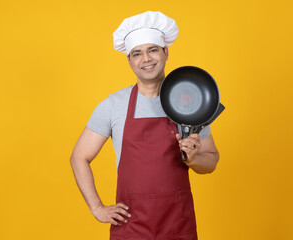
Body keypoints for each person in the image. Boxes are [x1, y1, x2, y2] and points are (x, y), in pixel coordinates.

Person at [70, 11, 219, 240]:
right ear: (129, 60)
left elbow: (210, 161)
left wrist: (194, 158)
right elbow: (79, 156)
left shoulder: (190, 101)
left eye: (153, 50)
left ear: (166, 52)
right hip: (131, 226)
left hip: (177, 224)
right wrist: (97, 208)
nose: (146, 59)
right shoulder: (113, 105)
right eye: (137, 53)